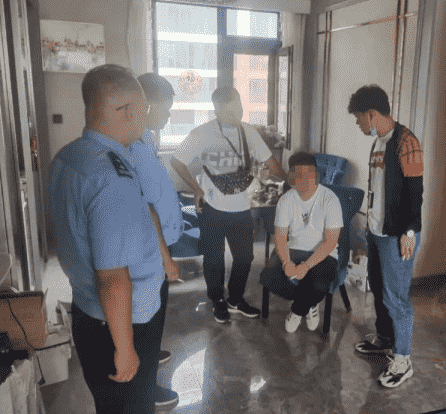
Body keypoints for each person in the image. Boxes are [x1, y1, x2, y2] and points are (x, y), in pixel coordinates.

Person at [49, 64, 176, 414]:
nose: (146, 119)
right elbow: (113, 279)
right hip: (122, 320)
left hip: (88, 310)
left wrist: (164, 258)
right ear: (128, 111)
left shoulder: (70, 156)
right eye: (144, 109)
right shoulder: (110, 178)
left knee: (110, 413)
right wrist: (125, 348)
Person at [171, 87, 288, 323]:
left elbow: (270, 162)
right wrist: (196, 189)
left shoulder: (249, 132)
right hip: (211, 207)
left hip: (242, 207)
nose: (235, 115)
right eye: (228, 111)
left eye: (238, 108)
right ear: (216, 111)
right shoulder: (202, 133)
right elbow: (177, 161)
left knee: (244, 257)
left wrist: (288, 184)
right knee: (214, 258)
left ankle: (235, 299)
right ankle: (217, 300)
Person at [348, 85, 423, 388]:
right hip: (377, 231)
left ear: (371, 114)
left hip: (397, 234)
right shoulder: (378, 142)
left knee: (397, 298)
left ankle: (403, 360)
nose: (357, 124)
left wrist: (409, 231)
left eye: (358, 118)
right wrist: (369, 227)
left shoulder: (407, 142)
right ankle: (385, 340)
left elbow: (415, 192)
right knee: (379, 289)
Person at [130, 72, 183, 406]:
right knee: (147, 317)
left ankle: (148, 355)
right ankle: (145, 390)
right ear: (146, 104)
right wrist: (166, 258)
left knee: (154, 315)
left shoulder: (146, 139)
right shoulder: (131, 148)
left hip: (160, 243)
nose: (169, 114)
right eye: (166, 107)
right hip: (151, 249)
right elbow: (145, 207)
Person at [259, 152, 343, 332]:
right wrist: (287, 263)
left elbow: (330, 242)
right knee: (268, 277)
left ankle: (298, 310)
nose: (304, 180)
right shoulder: (286, 200)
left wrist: (305, 266)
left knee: (319, 284)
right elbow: (280, 237)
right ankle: (310, 301)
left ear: (315, 174)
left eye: (308, 174)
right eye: (298, 174)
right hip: (294, 249)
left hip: (324, 254)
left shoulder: (330, 199)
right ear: (292, 177)